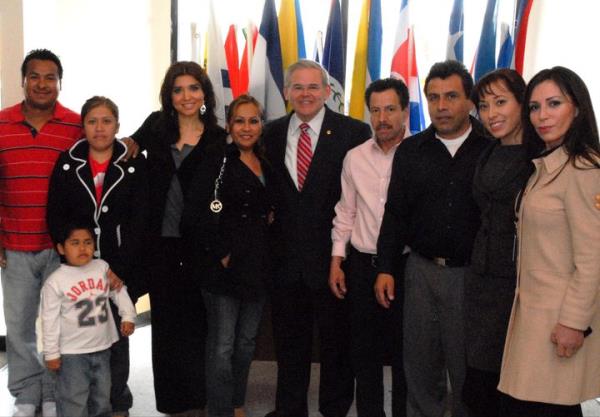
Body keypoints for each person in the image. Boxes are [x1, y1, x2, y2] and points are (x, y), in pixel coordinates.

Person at [375, 60, 492, 417]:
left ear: (470, 100)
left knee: (468, 372)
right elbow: (394, 214)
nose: (441, 106)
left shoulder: (491, 149)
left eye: (452, 96)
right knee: (421, 370)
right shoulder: (411, 151)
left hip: (472, 278)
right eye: (433, 97)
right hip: (421, 273)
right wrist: (385, 268)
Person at [263, 59, 371, 417]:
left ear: (328, 92)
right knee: (289, 346)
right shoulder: (270, 134)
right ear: (286, 93)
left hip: (334, 263)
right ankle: (289, 410)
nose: (305, 94)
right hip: (285, 263)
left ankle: (334, 410)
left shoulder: (354, 133)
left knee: (335, 346)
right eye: (298, 87)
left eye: (313, 87)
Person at [498, 66, 600, 417]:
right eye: (534, 107)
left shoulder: (584, 170)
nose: (542, 116)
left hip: (559, 322)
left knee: (550, 409)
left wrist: (573, 322)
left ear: (578, 108)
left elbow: (593, 258)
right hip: (532, 317)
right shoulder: (545, 167)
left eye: (553, 104)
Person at [130, 61, 227, 416]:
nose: (186, 96)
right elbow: (125, 149)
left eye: (193, 88)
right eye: (178, 89)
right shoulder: (156, 126)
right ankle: (173, 404)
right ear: (169, 96)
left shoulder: (218, 137)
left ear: (204, 94)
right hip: (161, 246)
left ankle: (199, 402)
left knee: (200, 329)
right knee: (167, 330)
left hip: (200, 249)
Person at [46, 96, 148, 417]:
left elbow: (140, 221)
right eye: (92, 121)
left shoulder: (133, 164)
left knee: (117, 338)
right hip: (78, 271)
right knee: (80, 339)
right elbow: (56, 214)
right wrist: (73, 256)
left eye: (106, 121)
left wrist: (120, 268)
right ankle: (80, 403)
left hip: (118, 268)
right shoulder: (67, 163)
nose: (99, 128)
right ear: (83, 126)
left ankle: (116, 402)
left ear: (117, 126)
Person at [0, 49, 81, 417]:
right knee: (18, 328)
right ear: (23, 81)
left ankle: (53, 393)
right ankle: (26, 393)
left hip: (58, 248)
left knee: (59, 326)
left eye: (50, 77)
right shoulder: (0, 124)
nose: (43, 84)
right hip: (13, 246)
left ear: (59, 83)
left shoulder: (76, 126)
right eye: (35, 76)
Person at [182, 94, 273, 417]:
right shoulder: (216, 160)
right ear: (229, 125)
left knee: (247, 343)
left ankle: (236, 403)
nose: (246, 128)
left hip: (258, 267)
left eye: (253, 121)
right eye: (239, 121)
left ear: (262, 125)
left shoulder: (268, 160)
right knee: (222, 346)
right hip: (223, 270)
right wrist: (222, 254)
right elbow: (194, 214)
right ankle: (219, 410)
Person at [329, 78, 408, 417]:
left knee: (406, 353)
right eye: (375, 110)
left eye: (390, 109)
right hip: (361, 265)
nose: (382, 118)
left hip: (406, 266)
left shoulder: (420, 154)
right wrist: (337, 259)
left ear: (405, 111)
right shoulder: (354, 158)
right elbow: (345, 212)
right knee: (364, 353)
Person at [460, 68, 531, 417]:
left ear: (523, 103)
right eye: (484, 106)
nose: (492, 114)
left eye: (501, 102)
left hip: (520, 288)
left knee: (518, 389)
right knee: (479, 386)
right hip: (483, 282)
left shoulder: (540, 158)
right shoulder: (487, 152)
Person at [41, 222, 136, 417]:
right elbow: (48, 320)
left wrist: (128, 315)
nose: (82, 248)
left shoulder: (101, 267)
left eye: (87, 242)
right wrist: (51, 353)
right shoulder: (55, 281)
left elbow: (118, 291)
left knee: (101, 399)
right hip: (71, 355)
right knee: (73, 401)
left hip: (102, 349)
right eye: (75, 243)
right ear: (61, 248)